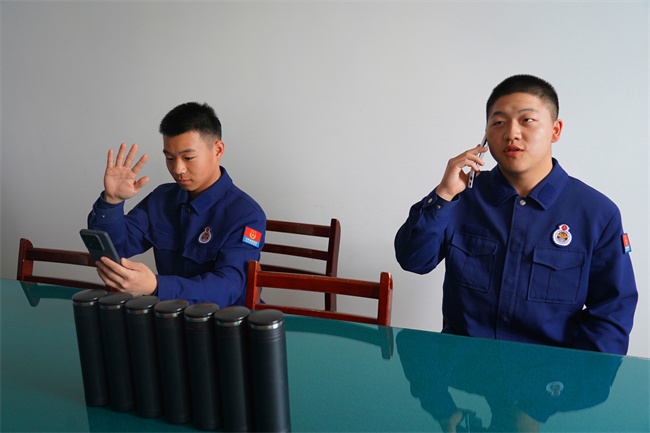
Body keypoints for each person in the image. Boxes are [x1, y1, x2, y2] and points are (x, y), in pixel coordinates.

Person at [394, 74, 637, 355]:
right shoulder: (462, 196)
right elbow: (414, 261)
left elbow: (612, 311)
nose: (511, 134)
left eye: (527, 120)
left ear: (555, 130)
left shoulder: (597, 213)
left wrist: (578, 376)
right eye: (498, 123)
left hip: (548, 374)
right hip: (463, 369)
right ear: (486, 134)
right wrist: (443, 195)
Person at [88, 102, 266, 307]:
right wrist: (112, 201)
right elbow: (116, 249)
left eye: (188, 157)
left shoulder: (247, 215)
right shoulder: (161, 198)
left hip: (227, 320)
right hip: (169, 316)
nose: (177, 169)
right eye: (169, 158)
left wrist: (157, 286)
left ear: (217, 150)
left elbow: (227, 287)